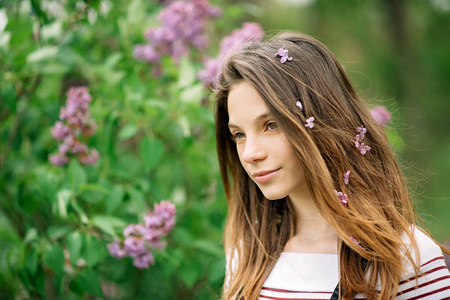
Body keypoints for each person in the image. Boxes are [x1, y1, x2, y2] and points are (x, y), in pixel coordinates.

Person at [213, 32, 450, 300]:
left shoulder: (404, 258)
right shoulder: (247, 254)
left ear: (323, 122)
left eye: (272, 125)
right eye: (239, 135)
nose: (250, 154)